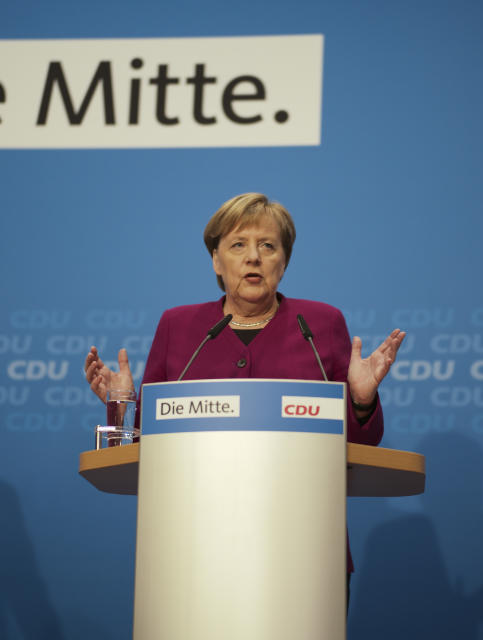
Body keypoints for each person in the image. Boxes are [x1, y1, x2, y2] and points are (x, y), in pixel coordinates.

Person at [83, 192, 406, 598]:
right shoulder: (179, 327)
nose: (253, 257)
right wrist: (123, 409)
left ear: (283, 261)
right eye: (238, 245)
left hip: (306, 549)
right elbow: (156, 438)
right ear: (216, 261)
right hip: (192, 545)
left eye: (268, 246)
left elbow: (360, 444)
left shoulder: (319, 323)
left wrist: (360, 400)